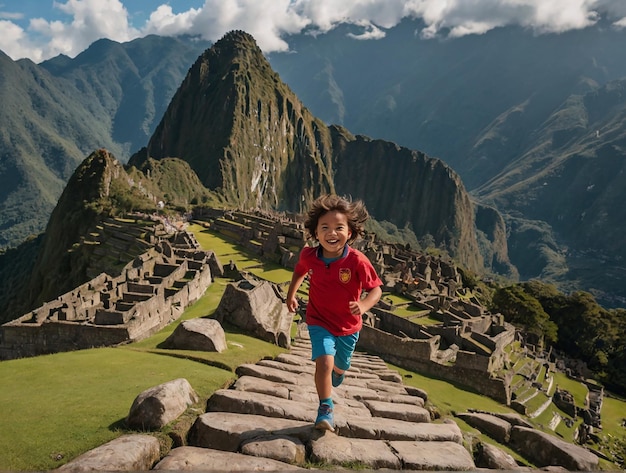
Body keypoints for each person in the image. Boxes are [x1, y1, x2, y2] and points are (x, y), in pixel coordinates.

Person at [286, 194, 383, 431]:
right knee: (324, 362)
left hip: (349, 326)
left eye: (339, 227)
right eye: (325, 228)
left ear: (349, 232)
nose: (332, 233)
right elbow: (300, 271)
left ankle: (340, 371)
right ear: (316, 233)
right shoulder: (309, 256)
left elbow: (376, 290)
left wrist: (363, 305)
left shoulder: (358, 261)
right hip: (318, 320)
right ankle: (325, 408)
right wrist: (291, 294)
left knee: (340, 365)